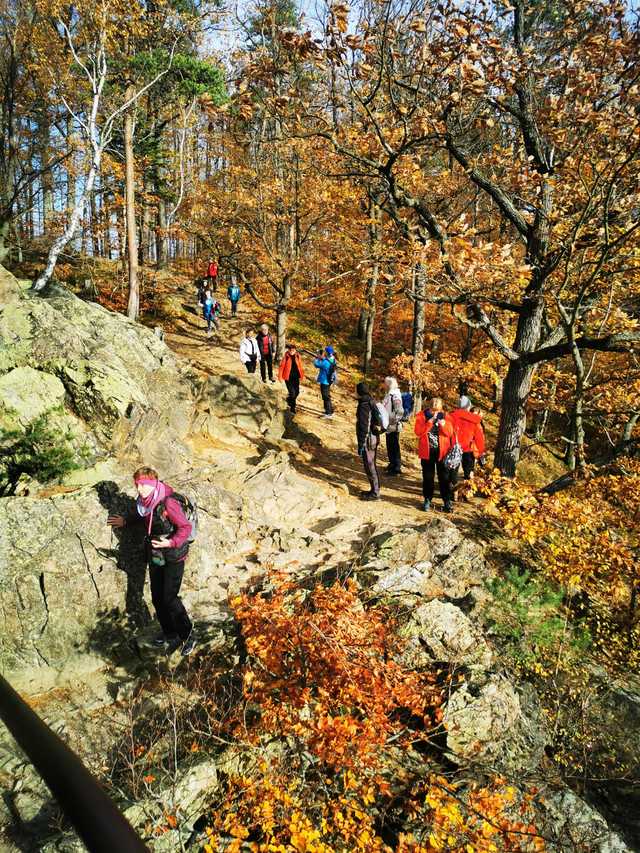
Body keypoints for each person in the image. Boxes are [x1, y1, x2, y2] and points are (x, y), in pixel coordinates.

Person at [107, 467, 196, 656]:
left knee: (169, 597)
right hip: (156, 554)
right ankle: (170, 634)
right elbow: (143, 515)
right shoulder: (144, 501)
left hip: (174, 555)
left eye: (144, 485)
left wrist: (170, 542)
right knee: (156, 597)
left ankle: (188, 635)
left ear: (154, 484)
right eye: (137, 485)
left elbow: (185, 528)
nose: (140, 489)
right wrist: (126, 521)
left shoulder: (168, 502)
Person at [414, 397, 456, 512]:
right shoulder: (421, 415)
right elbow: (418, 432)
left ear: (442, 405)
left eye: (438, 402)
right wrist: (429, 422)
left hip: (443, 453)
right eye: (433, 401)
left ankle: (447, 501)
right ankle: (427, 500)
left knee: (444, 478)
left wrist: (443, 424)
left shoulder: (447, 416)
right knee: (428, 478)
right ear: (429, 403)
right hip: (427, 452)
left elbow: (450, 433)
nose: (435, 403)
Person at [450, 395, 486, 480]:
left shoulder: (450, 416)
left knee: (453, 470)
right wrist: (481, 452)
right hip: (468, 449)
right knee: (469, 472)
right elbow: (479, 437)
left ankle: (451, 490)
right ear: (468, 406)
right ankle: (467, 490)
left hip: (453, 447)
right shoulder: (474, 419)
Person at [356, 382, 381, 500]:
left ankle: (375, 493)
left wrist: (361, 443)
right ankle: (374, 490)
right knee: (371, 465)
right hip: (373, 438)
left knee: (370, 465)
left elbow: (364, 425)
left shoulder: (364, 404)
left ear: (360, 392)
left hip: (368, 439)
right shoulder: (371, 401)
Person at [383, 376, 405, 475]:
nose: (384, 385)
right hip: (388, 424)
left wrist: (393, 421)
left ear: (389, 385)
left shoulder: (395, 395)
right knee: (390, 445)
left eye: (385, 383)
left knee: (394, 446)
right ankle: (392, 464)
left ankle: (396, 468)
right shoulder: (389, 394)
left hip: (393, 425)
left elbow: (400, 411)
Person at [278, 342, 304, 414]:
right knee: (292, 393)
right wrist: (280, 377)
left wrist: (302, 375)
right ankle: (292, 408)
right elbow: (281, 367)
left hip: (296, 377)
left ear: (295, 350)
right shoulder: (286, 357)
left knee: (297, 392)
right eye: (291, 350)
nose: (292, 351)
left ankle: (289, 399)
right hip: (288, 378)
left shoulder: (298, 356)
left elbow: (300, 366)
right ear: (288, 350)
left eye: (293, 350)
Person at [314, 346, 337, 419]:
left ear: (327, 352)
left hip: (325, 381)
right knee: (327, 396)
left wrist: (316, 358)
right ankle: (330, 410)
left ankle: (328, 413)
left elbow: (317, 364)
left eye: (325, 351)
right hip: (329, 380)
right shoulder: (333, 359)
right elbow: (325, 361)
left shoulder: (326, 362)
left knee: (325, 397)